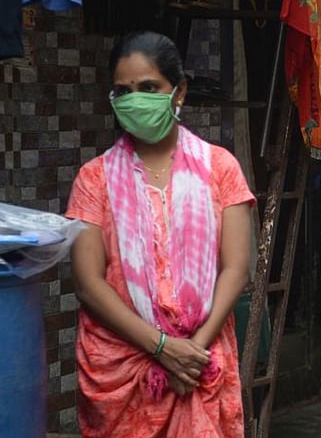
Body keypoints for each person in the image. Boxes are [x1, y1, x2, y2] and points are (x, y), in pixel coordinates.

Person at [65, 31, 255, 437]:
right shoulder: (92, 180)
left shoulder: (220, 168)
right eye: (123, 91)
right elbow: (87, 283)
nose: (136, 100)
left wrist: (193, 352)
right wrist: (161, 347)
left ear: (178, 91)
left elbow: (237, 269)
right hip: (121, 370)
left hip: (201, 361)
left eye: (149, 88)